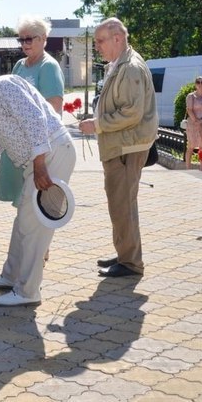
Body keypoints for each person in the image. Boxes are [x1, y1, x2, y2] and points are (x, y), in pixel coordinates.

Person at [0, 64, 76, 306]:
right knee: (24, 220)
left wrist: (40, 162)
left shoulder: (5, 86)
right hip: (43, 158)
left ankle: (28, 291)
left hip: (51, 155)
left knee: (35, 226)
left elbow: (35, 119)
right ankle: (10, 277)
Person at [78, 18, 158, 278]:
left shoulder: (130, 67)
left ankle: (130, 262)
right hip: (123, 146)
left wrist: (98, 124)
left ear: (117, 38)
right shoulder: (122, 63)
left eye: (100, 41)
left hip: (126, 147)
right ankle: (126, 252)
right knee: (121, 203)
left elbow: (131, 113)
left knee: (122, 203)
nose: (97, 47)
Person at [0, 16, 64, 206]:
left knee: (33, 203)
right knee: (24, 203)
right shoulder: (19, 65)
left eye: (29, 39)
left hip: (38, 148)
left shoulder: (48, 66)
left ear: (43, 38)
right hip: (21, 147)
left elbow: (54, 109)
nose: (24, 44)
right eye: (21, 39)